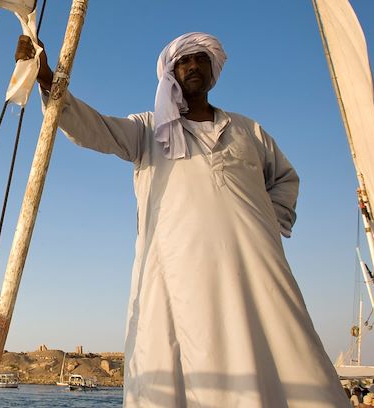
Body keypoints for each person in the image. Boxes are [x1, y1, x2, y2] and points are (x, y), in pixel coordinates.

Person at [22, 32, 348, 406]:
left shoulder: (248, 131)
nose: (193, 65)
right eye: (184, 60)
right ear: (170, 74)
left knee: (290, 358)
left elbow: (285, 179)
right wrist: (47, 78)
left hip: (257, 272)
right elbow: (92, 128)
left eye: (201, 59)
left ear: (213, 70)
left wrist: (265, 227)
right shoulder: (148, 129)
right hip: (176, 275)